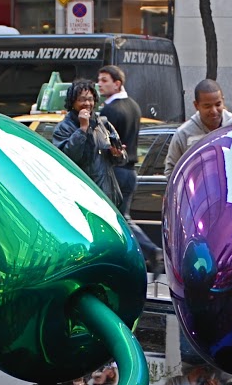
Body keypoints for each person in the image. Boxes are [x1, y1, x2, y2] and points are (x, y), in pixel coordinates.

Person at [97, 63, 162, 266]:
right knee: (122, 217)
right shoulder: (133, 105)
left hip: (115, 171)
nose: (100, 84)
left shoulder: (109, 110)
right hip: (130, 171)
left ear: (117, 84)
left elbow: (103, 144)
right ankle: (143, 254)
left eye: (104, 80)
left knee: (116, 219)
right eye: (99, 80)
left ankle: (147, 252)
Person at [51, 79, 125, 208]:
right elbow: (68, 158)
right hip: (82, 197)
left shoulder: (102, 124)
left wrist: (117, 154)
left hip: (107, 196)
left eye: (90, 99)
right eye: (82, 99)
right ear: (72, 102)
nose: (87, 103)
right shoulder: (64, 128)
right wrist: (82, 129)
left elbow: (121, 159)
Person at [165, 79, 232, 176]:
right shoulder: (183, 134)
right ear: (196, 105)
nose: (214, 111)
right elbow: (171, 172)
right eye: (207, 106)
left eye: (218, 104)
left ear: (223, 101)